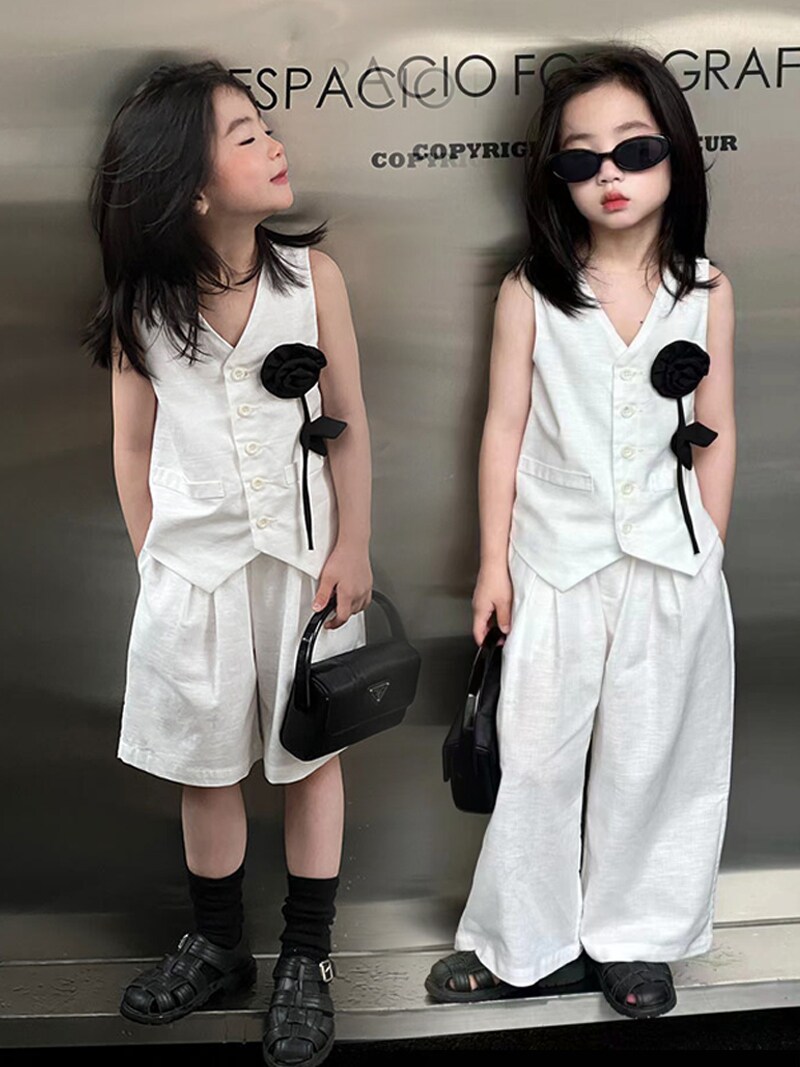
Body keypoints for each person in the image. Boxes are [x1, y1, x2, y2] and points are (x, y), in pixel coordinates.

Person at [425, 44, 736, 1019]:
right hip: (552, 563)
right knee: (536, 757)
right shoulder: (530, 290)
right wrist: (492, 564)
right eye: (580, 157)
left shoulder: (705, 290)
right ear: (553, 175)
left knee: (655, 755)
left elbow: (717, 429)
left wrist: (708, 545)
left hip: (668, 564)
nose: (610, 174)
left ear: (674, 155)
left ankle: (636, 937)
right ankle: (523, 941)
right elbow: (502, 429)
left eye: (634, 150)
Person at [84, 59, 372, 1066]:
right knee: (204, 768)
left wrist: (353, 544)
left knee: (312, 756)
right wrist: (154, 565)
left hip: (304, 570)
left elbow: (347, 424)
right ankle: (217, 944)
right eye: (245, 135)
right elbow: (130, 448)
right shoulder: (142, 308)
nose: (273, 143)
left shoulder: (312, 278)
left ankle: (306, 955)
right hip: (193, 579)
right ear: (191, 187)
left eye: (265, 125)